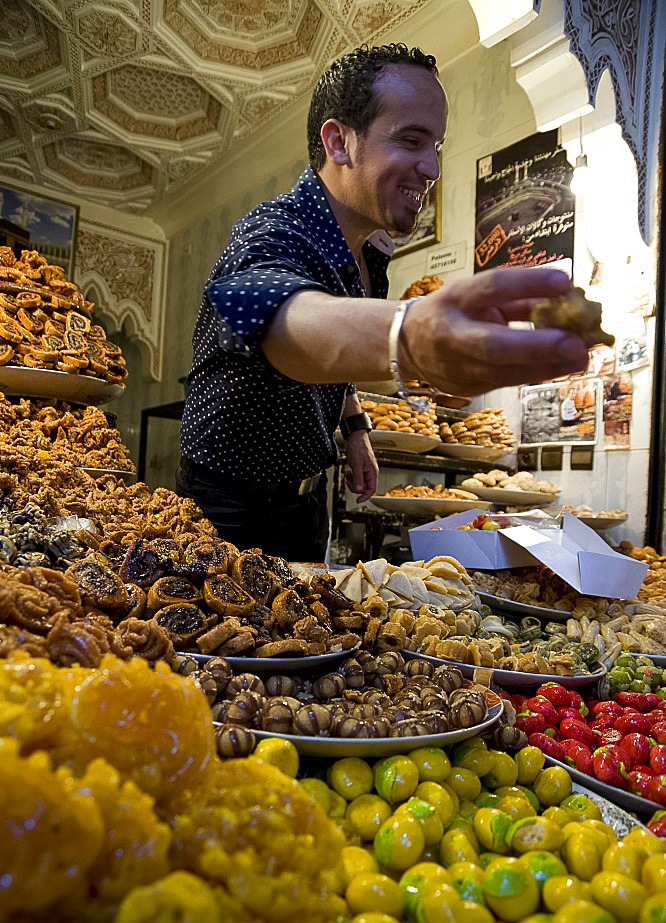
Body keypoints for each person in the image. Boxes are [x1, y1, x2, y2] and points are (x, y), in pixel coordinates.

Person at [176, 43, 588, 561]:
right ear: (339, 142)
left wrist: (354, 429)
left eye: (436, 144)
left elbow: (335, 359)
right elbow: (272, 314)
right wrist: (409, 337)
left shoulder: (371, 254)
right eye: (412, 140)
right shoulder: (273, 229)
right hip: (228, 504)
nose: (433, 166)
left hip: (307, 497)